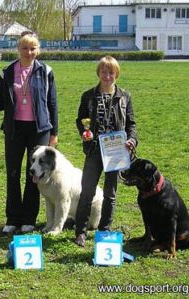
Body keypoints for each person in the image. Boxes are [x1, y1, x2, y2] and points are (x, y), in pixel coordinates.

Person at [0, 31, 58, 234]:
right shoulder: (6, 72)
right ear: (18, 49)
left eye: (33, 48)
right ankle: (13, 219)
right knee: (13, 174)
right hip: (14, 129)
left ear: (38, 50)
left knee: (34, 175)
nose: (29, 52)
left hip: (39, 129)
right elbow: (1, 100)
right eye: (25, 48)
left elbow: (52, 104)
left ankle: (29, 219)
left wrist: (54, 133)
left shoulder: (46, 71)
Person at [74, 55, 137, 247]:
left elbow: (132, 124)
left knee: (110, 193)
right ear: (98, 73)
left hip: (116, 151)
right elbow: (81, 120)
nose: (107, 75)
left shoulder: (124, 96)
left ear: (116, 73)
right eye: (103, 71)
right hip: (94, 150)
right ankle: (80, 232)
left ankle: (104, 231)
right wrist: (84, 133)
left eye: (110, 72)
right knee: (87, 192)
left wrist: (132, 140)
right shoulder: (88, 96)